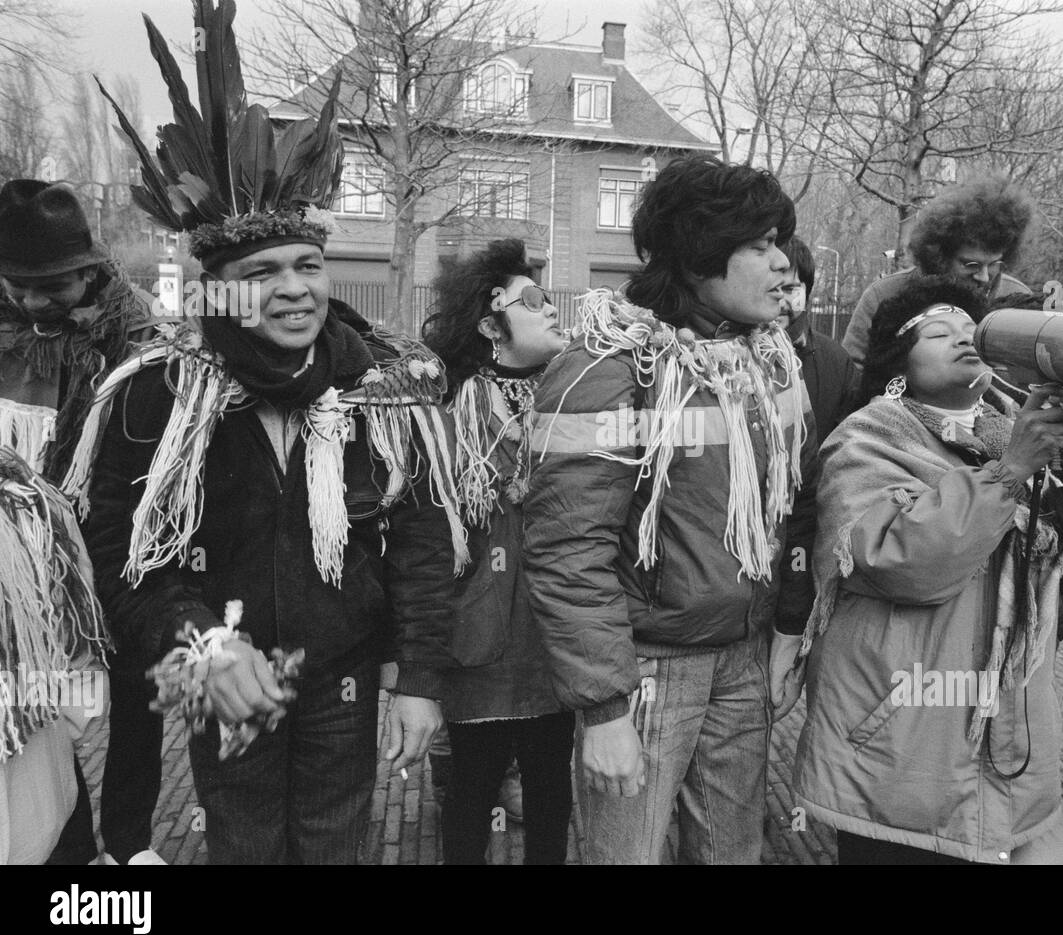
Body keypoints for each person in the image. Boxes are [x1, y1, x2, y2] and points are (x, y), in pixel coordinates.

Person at [68, 2, 464, 864]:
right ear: (214, 291)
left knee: (333, 848)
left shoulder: (383, 389)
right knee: (243, 846)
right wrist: (199, 644)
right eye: (260, 274)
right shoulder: (158, 397)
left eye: (307, 266)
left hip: (346, 677)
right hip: (224, 675)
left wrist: (420, 680)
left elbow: (422, 545)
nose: (293, 290)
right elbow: (119, 556)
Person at [792, 277, 1063, 864]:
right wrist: (1009, 473)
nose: (963, 338)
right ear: (896, 364)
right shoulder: (865, 439)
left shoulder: (1019, 430)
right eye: (938, 331)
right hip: (898, 737)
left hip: (1009, 732)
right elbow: (896, 562)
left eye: (972, 330)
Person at [523, 155, 817, 864]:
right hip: (647, 673)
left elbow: (793, 510)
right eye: (759, 245)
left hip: (741, 661)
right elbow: (567, 550)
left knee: (732, 854)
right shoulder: (610, 368)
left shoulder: (764, 361)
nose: (783, 265)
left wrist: (782, 629)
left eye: (780, 241)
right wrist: (604, 710)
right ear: (695, 255)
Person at [0, 178, 163, 866]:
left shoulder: (140, 335)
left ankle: (128, 840)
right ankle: (67, 840)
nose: (34, 303)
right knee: (37, 700)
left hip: (113, 542)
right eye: (17, 286)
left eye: (51, 287)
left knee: (136, 690)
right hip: (19, 555)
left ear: (88, 270)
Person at [423, 239, 573, 864]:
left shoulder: (575, 399)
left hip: (553, 636)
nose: (550, 309)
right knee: (470, 796)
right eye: (532, 300)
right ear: (490, 324)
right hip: (477, 640)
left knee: (550, 795)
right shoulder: (446, 408)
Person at [840, 174, 1035, 366]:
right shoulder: (884, 295)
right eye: (971, 265)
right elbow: (852, 373)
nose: (984, 277)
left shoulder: (1018, 300)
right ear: (939, 257)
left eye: (993, 265)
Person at [775, 236, 857, 443]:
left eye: (789, 289)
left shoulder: (836, 362)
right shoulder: (728, 358)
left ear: (807, 292)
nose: (779, 301)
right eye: (770, 288)